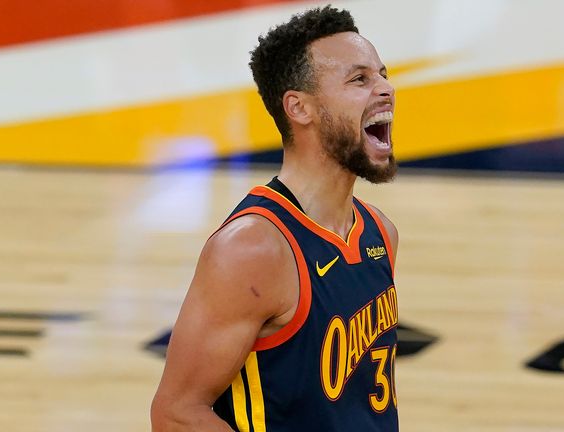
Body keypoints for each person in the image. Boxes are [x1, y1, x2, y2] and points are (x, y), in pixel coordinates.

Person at [151, 5, 399, 431]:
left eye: (382, 73)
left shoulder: (379, 233)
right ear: (299, 108)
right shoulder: (253, 249)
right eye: (360, 79)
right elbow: (176, 414)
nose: (386, 89)